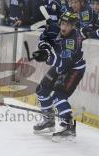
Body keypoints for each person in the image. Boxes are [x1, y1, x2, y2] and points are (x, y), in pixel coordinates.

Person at [31, 12, 86, 140]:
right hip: (60, 65)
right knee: (42, 90)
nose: (63, 27)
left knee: (59, 96)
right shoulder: (57, 28)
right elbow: (43, 38)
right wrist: (44, 47)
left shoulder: (72, 40)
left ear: (73, 26)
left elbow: (63, 65)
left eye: (67, 25)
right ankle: (49, 121)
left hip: (73, 69)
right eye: (62, 23)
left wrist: (47, 56)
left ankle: (69, 127)